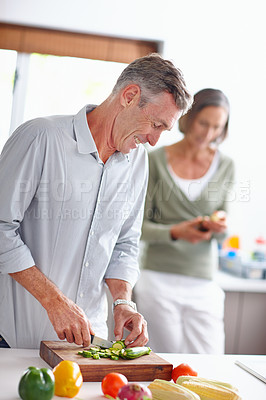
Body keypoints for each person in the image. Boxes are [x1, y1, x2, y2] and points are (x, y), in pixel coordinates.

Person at [0, 53, 192, 349]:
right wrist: (54, 301)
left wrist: (122, 302)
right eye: (155, 124)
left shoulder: (138, 161)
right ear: (129, 96)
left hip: (86, 348)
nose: (154, 141)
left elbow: (125, 243)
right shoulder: (41, 138)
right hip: (15, 340)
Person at [134, 88, 234, 354]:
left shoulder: (226, 166)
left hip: (202, 280)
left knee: (210, 364)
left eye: (217, 127)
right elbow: (138, 226)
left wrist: (220, 227)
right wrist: (175, 232)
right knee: (163, 363)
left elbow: (223, 229)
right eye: (204, 123)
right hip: (157, 278)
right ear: (188, 118)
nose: (208, 133)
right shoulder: (154, 160)